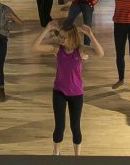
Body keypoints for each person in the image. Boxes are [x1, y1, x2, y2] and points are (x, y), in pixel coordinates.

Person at [32, 18, 105, 156]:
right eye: (60, 36)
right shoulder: (57, 49)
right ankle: (56, 153)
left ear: (71, 37)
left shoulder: (81, 50)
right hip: (59, 92)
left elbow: (100, 53)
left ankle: (77, 157)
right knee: (59, 127)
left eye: (64, 37)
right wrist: (46, 29)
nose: (60, 39)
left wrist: (90, 35)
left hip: (76, 94)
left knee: (75, 128)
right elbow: (34, 47)